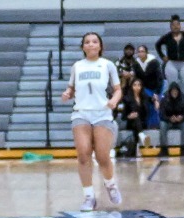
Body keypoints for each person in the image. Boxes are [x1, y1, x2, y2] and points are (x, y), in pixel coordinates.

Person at [61, 32, 122, 209]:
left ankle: (110, 184)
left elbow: (118, 89)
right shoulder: (77, 66)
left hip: (102, 113)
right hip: (81, 113)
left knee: (103, 156)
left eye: (94, 41)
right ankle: (89, 196)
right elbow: (71, 88)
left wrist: (114, 101)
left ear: (100, 46)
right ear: (83, 47)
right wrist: (67, 94)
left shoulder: (107, 65)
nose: (91, 44)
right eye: (87, 42)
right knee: (83, 154)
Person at [157, 15, 184, 96]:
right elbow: (158, 45)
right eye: (173, 25)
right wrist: (162, 56)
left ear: (180, 26)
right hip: (172, 63)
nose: (175, 27)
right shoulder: (167, 37)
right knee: (172, 85)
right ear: (170, 26)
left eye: (177, 24)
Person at [115, 71, 149, 158]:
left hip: (142, 122)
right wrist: (129, 116)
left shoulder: (144, 97)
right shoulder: (127, 99)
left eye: (139, 85)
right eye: (135, 85)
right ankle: (141, 137)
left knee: (137, 120)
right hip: (130, 122)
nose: (137, 87)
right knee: (135, 119)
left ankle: (137, 145)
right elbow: (123, 116)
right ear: (132, 86)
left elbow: (146, 113)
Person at [158, 82, 184, 156]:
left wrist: (181, 118)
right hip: (168, 121)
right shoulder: (164, 100)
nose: (174, 92)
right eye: (173, 91)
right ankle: (164, 149)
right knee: (162, 124)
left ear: (179, 91)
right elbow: (161, 115)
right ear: (170, 91)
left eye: (176, 90)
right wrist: (169, 118)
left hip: (180, 122)